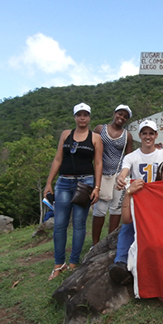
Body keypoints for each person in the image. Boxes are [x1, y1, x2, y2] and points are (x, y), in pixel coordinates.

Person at [44, 102, 103, 281]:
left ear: (89, 117)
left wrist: (97, 187)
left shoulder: (95, 138)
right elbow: (57, 159)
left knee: (79, 224)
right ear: (75, 117)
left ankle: (73, 262)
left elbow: (98, 163)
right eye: (79, 115)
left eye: (85, 115)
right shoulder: (65, 135)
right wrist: (49, 183)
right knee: (60, 224)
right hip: (64, 182)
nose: (82, 118)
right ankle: (58, 263)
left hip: (85, 182)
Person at [108, 120, 163, 284]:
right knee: (128, 226)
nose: (148, 136)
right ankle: (121, 262)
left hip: (160, 202)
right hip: (139, 203)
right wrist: (121, 179)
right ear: (140, 136)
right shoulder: (132, 156)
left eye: (151, 133)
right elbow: (124, 172)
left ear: (156, 135)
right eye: (145, 133)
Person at [110, 158, 163, 286]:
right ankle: (122, 262)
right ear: (160, 175)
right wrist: (128, 193)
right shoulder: (150, 193)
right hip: (156, 236)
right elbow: (127, 219)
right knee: (155, 245)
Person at [91, 104, 134, 246]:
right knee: (100, 209)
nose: (121, 118)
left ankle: (110, 242)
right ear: (114, 113)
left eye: (125, 116)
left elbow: (129, 156)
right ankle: (95, 244)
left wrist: (126, 177)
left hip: (118, 175)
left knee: (116, 208)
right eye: (120, 114)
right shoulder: (99, 129)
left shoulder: (127, 136)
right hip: (101, 174)